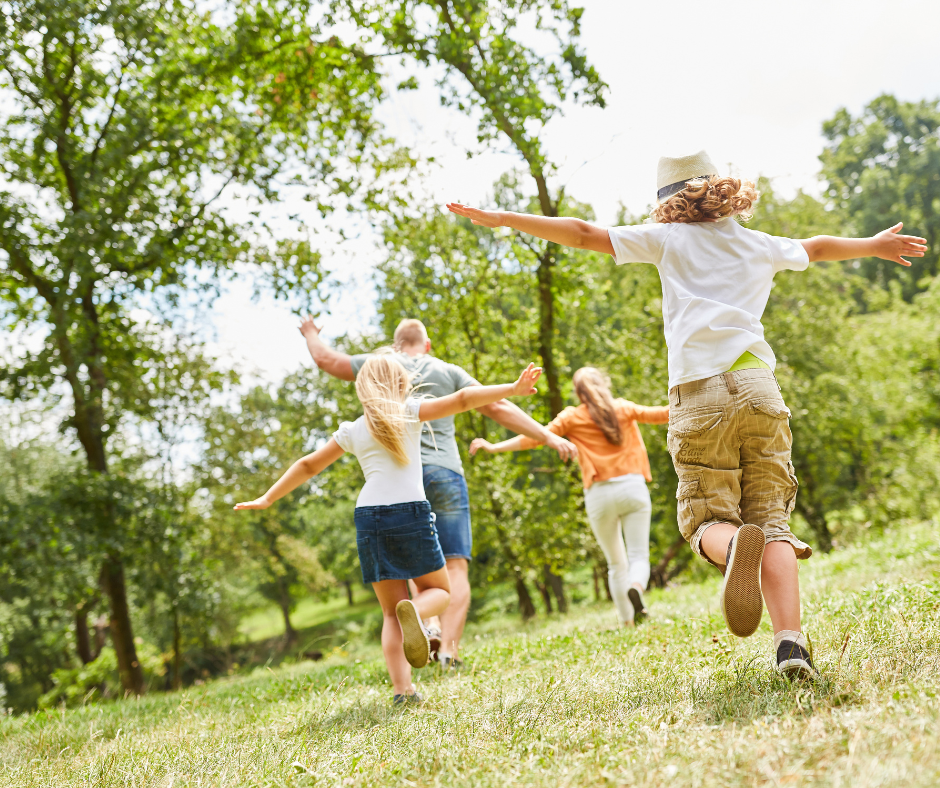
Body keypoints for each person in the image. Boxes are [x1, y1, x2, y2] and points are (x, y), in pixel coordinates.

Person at [447, 150, 926, 678]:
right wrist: (875, 245)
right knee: (773, 523)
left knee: (704, 519)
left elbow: (583, 232)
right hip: (759, 389)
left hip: (699, 394)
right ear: (721, 190)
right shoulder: (756, 242)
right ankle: (791, 646)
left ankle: (731, 545)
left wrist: (505, 218)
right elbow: (815, 247)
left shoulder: (668, 239)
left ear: (668, 202)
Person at [234, 353, 544, 704]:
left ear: (362, 388)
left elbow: (308, 465)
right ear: (401, 384)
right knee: (440, 592)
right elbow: (462, 399)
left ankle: (402, 691)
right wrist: (512, 388)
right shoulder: (409, 411)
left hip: (368, 517)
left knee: (388, 612)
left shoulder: (352, 429)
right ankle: (417, 611)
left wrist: (267, 498)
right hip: (409, 512)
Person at [299, 316, 577, 669]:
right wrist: (548, 435)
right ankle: (449, 650)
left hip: (399, 483)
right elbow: (494, 406)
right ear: (426, 345)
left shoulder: (378, 365)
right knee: (454, 567)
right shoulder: (446, 369)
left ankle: (427, 626)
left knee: (418, 566)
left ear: (396, 345)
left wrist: (310, 333)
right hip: (445, 474)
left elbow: (327, 360)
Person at [470, 367, 668, 627]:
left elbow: (537, 437)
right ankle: (636, 587)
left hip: (599, 495)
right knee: (638, 557)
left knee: (615, 563)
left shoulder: (572, 417)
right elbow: (664, 414)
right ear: (603, 384)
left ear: (578, 393)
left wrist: (495, 447)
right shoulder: (624, 408)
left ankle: (627, 622)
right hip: (632, 487)